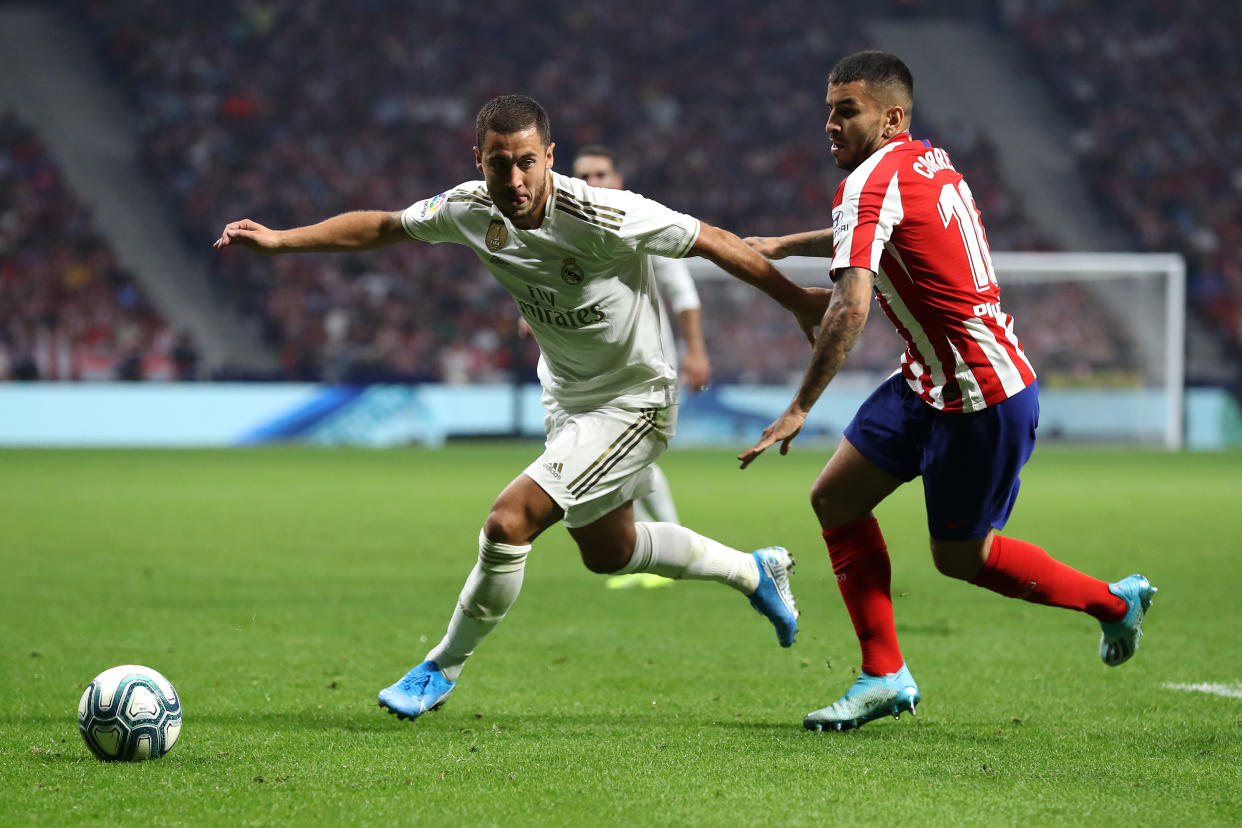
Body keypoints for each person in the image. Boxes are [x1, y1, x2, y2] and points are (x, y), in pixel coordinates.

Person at [216, 94, 827, 722]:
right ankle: (755, 572)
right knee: (608, 552)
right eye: (499, 164)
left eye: (527, 162)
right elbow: (384, 225)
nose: (514, 180)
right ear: (477, 160)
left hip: (634, 400)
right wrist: (281, 241)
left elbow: (714, 241)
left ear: (550, 157)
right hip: (567, 398)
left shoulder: (604, 213)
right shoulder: (469, 208)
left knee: (509, 522)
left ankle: (440, 667)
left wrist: (797, 301)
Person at [740, 51, 1156, 732]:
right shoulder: (926, 160)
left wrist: (799, 407)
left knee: (960, 557)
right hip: (927, 382)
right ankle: (884, 675)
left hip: (979, 397)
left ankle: (1113, 604)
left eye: (847, 109)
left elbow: (849, 307)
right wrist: (790, 242)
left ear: (892, 115)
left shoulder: (868, 185)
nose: (830, 123)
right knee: (835, 498)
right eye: (829, 108)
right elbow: (881, 222)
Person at [573, 144, 711, 589]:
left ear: (618, 181)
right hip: (595, 373)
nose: (591, 184)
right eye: (583, 177)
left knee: (629, 458)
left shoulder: (640, 222)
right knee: (627, 461)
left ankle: (667, 555)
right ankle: (662, 554)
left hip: (648, 368)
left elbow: (683, 292)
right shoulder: (567, 231)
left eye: (600, 175)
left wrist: (695, 351)